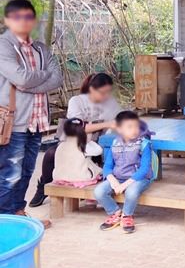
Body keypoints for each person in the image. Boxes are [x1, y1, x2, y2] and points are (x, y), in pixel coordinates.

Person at [0, 0, 63, 227]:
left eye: (29, 17)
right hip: (14, 121)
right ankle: (5, 224)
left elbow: (57, 78)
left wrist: (31, 81)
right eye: (18, 17)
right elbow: (21, 78)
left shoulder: (40, 48)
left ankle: (18, 214)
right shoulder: (4, 46)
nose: (24, 22)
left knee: (26, 171)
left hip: (37, 121)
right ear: (8, 20)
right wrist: (40, 76)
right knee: (10, 174)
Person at [30, 72, 121, 207]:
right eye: (102, 92)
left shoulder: (109, 104)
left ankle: (99, 191)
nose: (105, 96)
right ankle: (43, 187)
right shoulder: (76, 101)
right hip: (73, 142)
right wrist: (106, 124)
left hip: (97, 142)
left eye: (108, 92)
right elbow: (77, 126)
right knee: (51, 154)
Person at [94, 111, 153, 234]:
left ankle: (127, 216)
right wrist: (113, 181)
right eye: (129, 127)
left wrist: (125, 185)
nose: (134, 130)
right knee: (98, 191)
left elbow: (144, 169)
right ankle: (115, 212)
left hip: (139, 179)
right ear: (119, 129)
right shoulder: (115, 144)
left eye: (136, 126)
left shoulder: (144, 144)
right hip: (118, 178)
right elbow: (108, 166)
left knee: (131, 193)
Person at [52, 118, 102, 186]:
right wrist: (89, 141)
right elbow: (99, 151)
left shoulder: (61, 145)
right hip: (80, 178)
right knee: (96, 169)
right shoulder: (83, 146)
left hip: (59, 177)